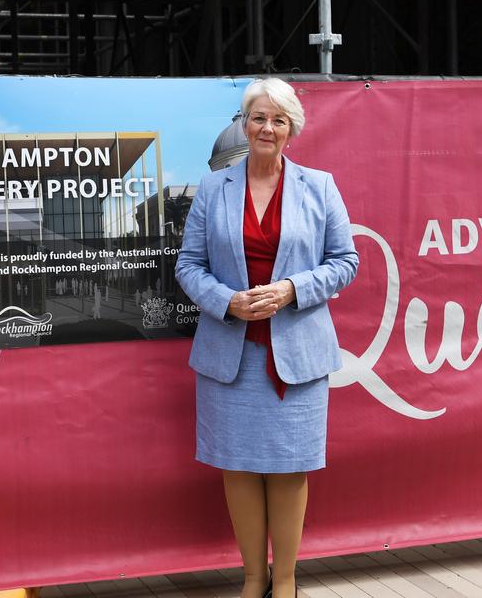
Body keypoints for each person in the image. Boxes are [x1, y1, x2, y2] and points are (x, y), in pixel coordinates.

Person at [176, 77, 358, 598]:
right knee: (237, 467)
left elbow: (346, 262)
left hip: (296, 357)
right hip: (229, 354)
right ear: (244, 123)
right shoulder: (213, 189)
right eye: (258, 117)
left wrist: (292, 290)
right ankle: (253, 579)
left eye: (279, 120)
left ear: (291, 129)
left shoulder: (319, 186)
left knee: (289, 469)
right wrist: (227, 301)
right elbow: (189, 267)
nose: (268, 128)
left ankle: (287, 582)